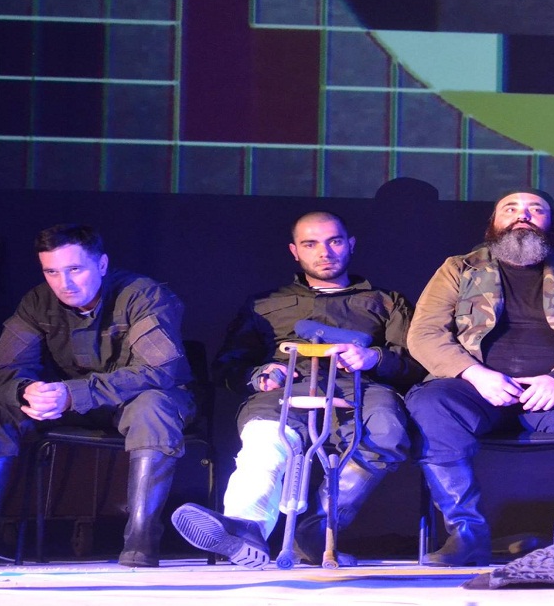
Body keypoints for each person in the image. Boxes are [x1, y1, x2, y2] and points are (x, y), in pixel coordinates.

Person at [171, 211, 421, 567]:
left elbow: (416, 362)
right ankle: (245, 526)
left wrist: (373, 357)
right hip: (287, 388)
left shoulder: (386, 301)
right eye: (311, 244)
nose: (325, 252)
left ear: (350, 245)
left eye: (335, 241)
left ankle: (316, 533)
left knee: (386, 432)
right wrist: (260, 374)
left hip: (359, 388)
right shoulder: (264, 304)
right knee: (266, 441)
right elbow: (227, 366)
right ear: (295, 251)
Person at [406, 188, 554, 566]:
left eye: (535, 209)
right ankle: (466, 535)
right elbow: (424, 334)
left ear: (550, 223)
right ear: (494, 223)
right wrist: (476, 374)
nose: (522, 215)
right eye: (510, 208)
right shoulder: (458, 268)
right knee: (430, 404)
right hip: (476, 391)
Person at [0, 224, 195, 567]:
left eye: (75, 269)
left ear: (101, 265)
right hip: (73, 403)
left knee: (153, 408)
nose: (64, 283)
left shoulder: (143, 295)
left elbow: (157, 372)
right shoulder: (37, 302)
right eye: (51, 272)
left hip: (139, 399)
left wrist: (73, 394)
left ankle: (140, 545)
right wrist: (27, 390)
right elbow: (7, 368)